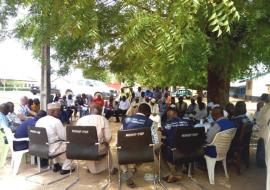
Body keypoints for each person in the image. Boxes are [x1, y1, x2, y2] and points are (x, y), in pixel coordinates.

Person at [121, 103, 159, 188]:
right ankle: (133, 168)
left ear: (138, 110)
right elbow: (155, 141)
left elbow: (120, 135)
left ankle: (126, 173)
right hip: (142, 154)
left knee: (119, 148)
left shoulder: (126, 119)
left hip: (125, 153)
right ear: (147, 112)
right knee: (151, 149)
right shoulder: (150, 122)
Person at [35, 102, 74, 175]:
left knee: (54, 141)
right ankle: (66, 168)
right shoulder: (56, 121)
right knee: (72, 145)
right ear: (53, 111)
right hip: (51, 150)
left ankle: (56, 164)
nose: (60, 113)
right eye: (58, 111)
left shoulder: (40, 120)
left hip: (39, 148)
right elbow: (64, 137)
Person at [76, 104, 114, 174]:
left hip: (83, 149)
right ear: (100, 112)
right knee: (107, 146)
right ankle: (111, 168)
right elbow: (108, 137)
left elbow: (77, 136)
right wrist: (106, 142)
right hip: (98, 149)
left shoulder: (81, 120)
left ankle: (89, 166)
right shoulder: (103, 119)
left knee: (92, 146)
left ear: (90, 111)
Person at [158, 106, 192, 183]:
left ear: (169, 116)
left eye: (167, 116)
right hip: (190, 152)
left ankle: (167, 173)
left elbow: (164, 137)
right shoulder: (188, 122)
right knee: (181, 144)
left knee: (158, 149)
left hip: (173, 153)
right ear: (176, 114)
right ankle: (179, 172)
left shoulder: (166, 124)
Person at [229, 101, 253, 166]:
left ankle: (229, 158)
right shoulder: (248, 118)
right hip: (245, 142)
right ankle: (245, 160)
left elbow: (229, 130)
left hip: (237, 142)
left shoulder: (236, 120)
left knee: (224, 140)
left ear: (236, 109)